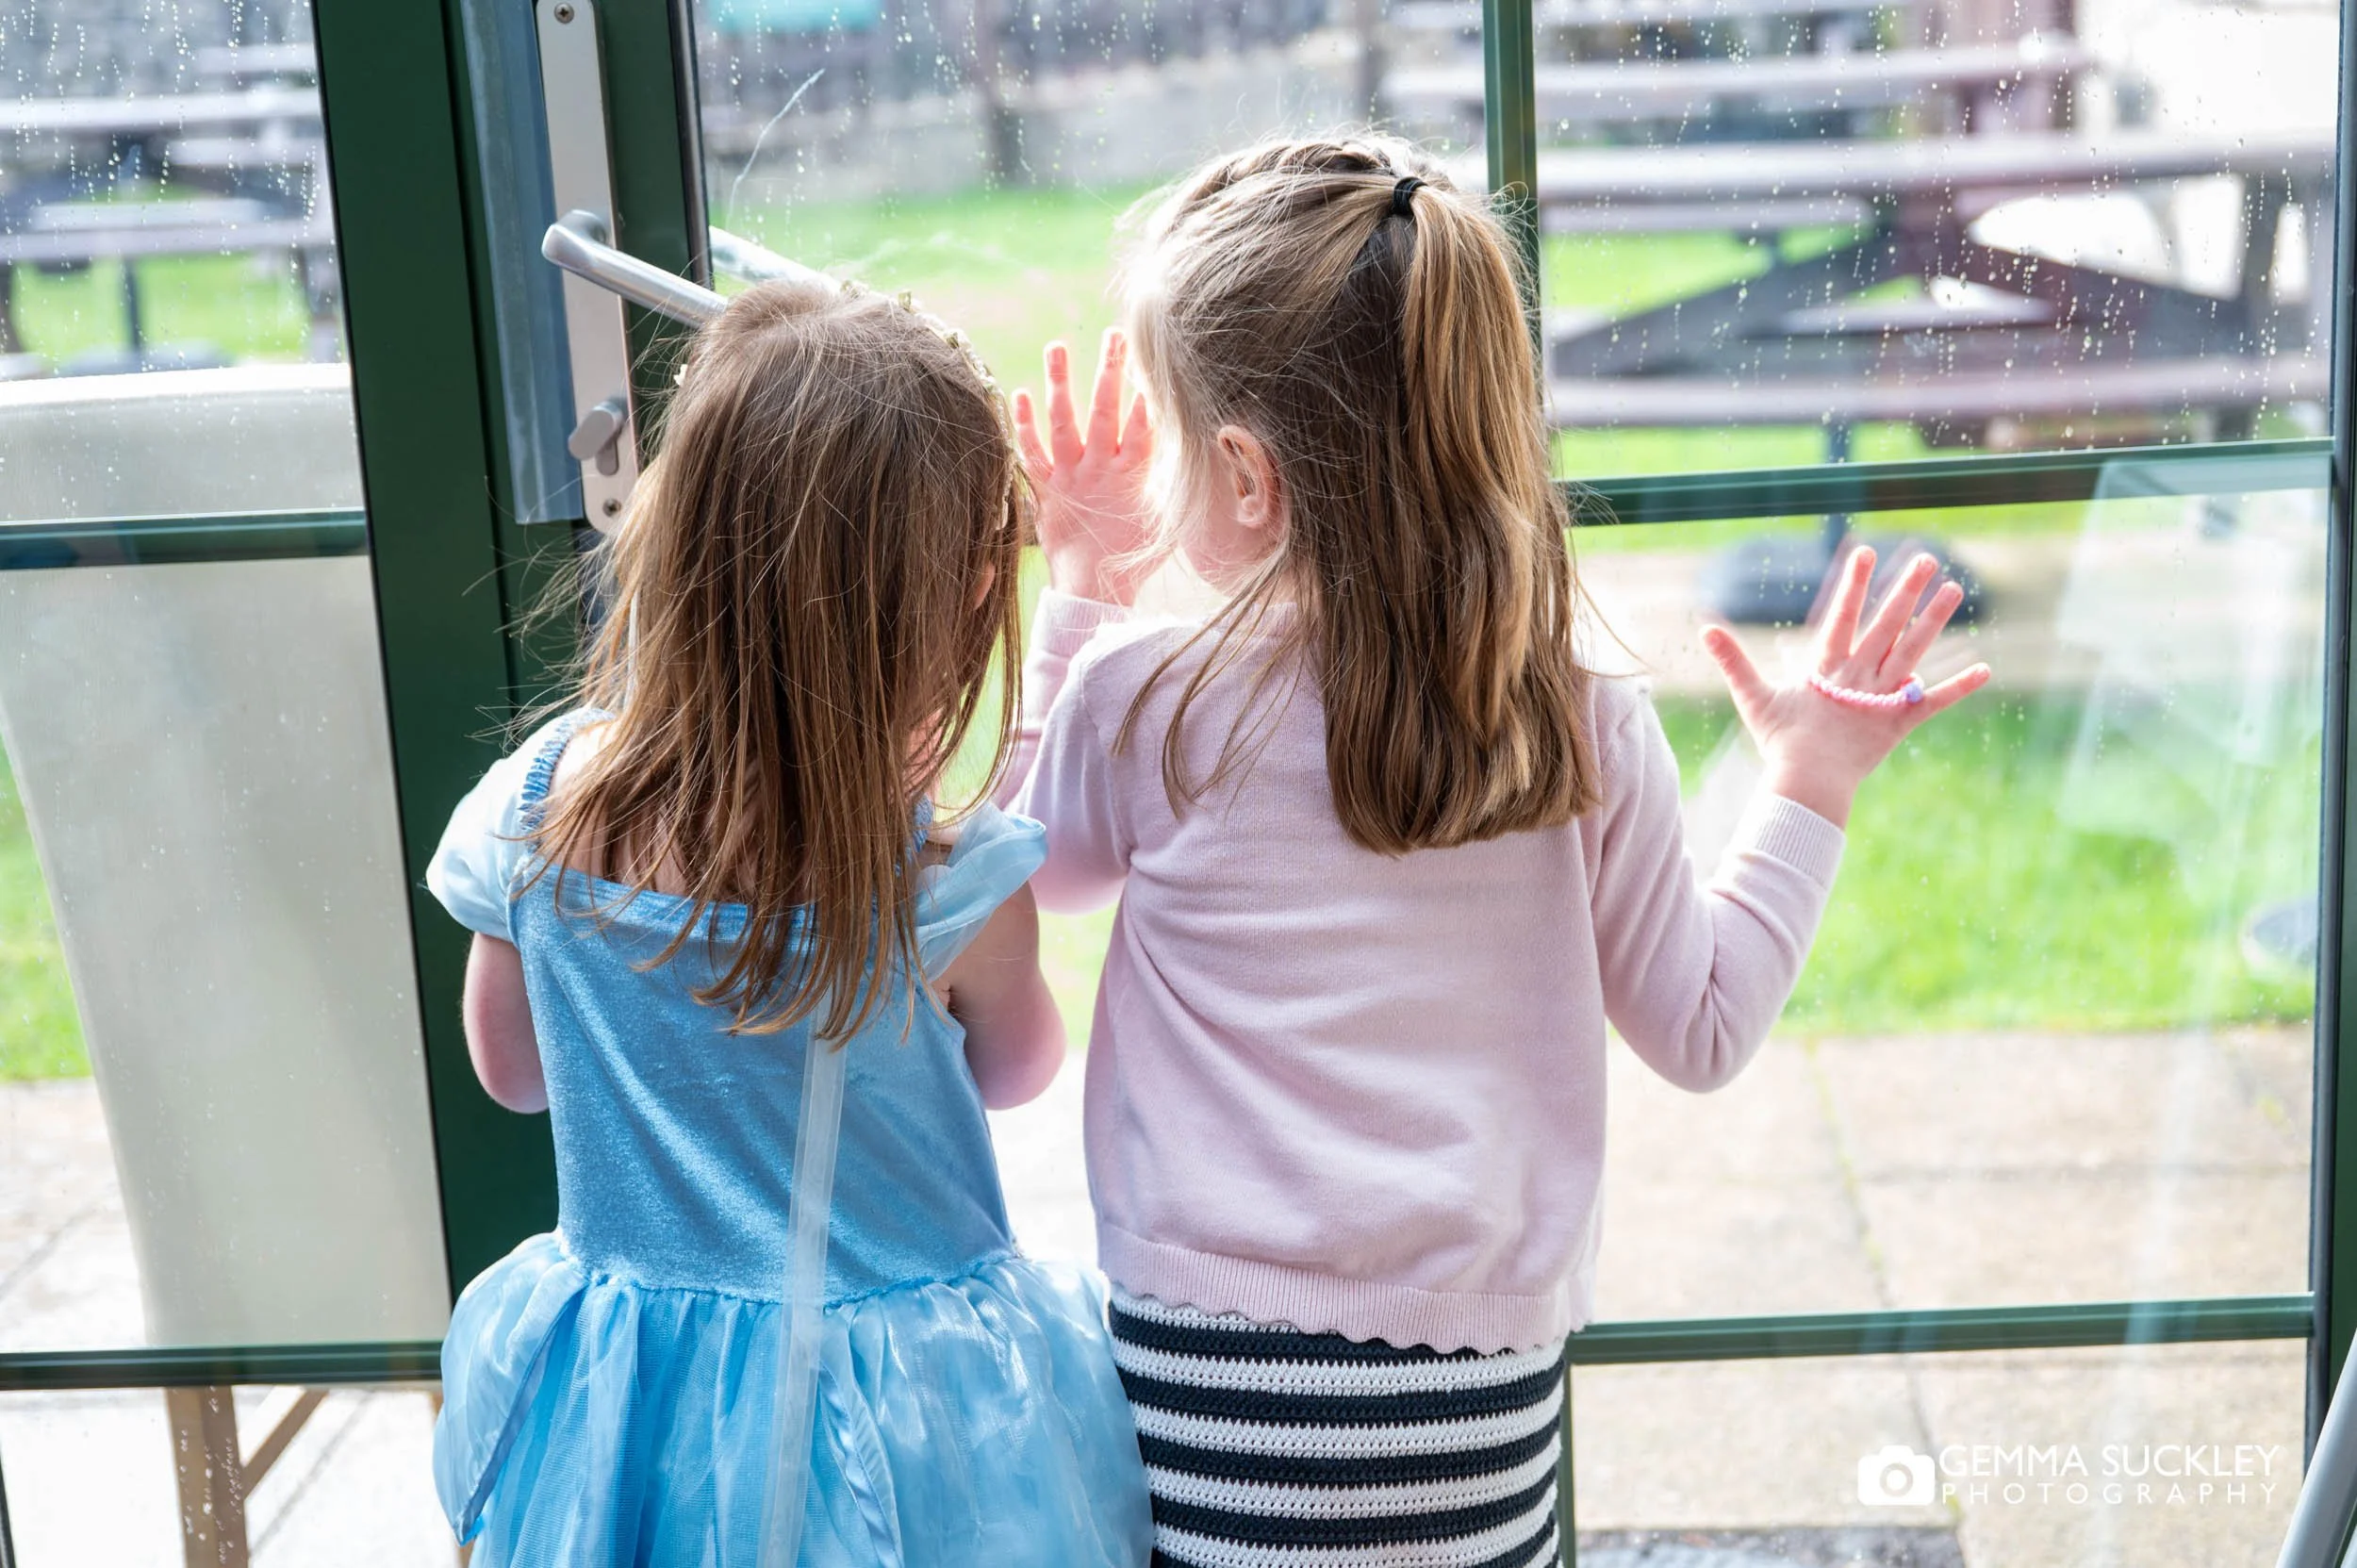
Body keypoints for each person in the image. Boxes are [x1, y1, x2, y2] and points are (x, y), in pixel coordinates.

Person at [1002, 134, 1990, 1568]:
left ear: (1246, 476)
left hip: (1201, 1400)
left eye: (1164, 436)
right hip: (1477, 1412)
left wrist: (1081, 585)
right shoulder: (1579, 712)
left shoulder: (1145, 699)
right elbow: (1704, 1028)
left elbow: (1030, 869)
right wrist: (1810, 784)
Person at [422, 278, 1153, 1567]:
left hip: (633, 1410)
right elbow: (1020, 1069)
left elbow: (511, 1068)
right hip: (893, 1432)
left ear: (677, 532)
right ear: (954, 599)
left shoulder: (535, 808)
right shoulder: (942, 879)